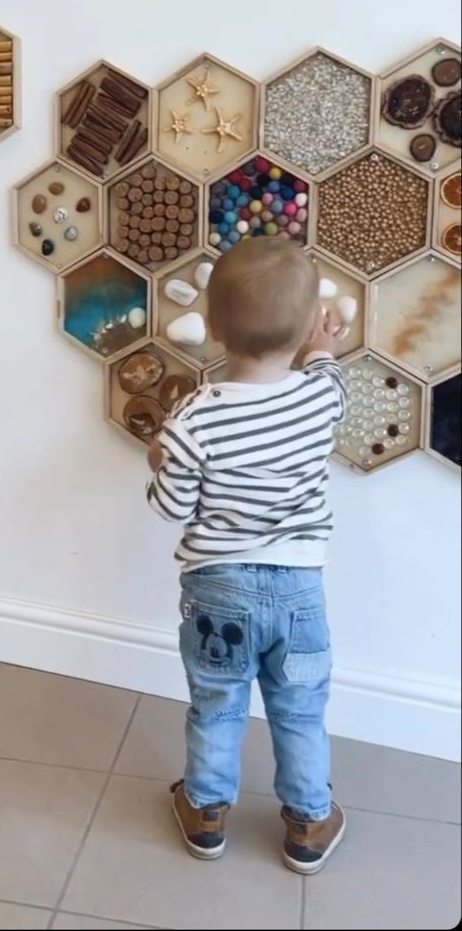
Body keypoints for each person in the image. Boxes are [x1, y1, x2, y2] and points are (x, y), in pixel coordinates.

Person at [147, 238, 348, 874]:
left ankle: (206, 814)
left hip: (217, 589)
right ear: (307, 324)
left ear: (210, 328)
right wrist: (322, 349)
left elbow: (169, 508)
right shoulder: (322, 399)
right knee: (299, 710)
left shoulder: (193, 419)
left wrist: (160, 461)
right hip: (299, 592)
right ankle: (310, 823)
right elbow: (326, 370)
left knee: (218, 702)